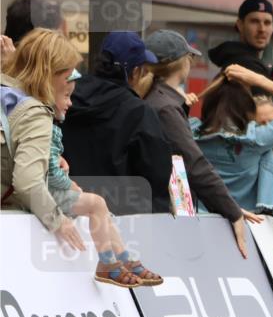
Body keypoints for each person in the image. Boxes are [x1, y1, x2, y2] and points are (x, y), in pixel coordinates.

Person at [1, 29, 160, 286]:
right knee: (96, 204)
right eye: (67, 74)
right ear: (52, 74)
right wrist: (58, 221)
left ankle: (120, 260)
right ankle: (115, 261)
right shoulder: (36, 112)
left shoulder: (8, 94)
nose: (72, 80)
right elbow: (27, 181)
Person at [142, 29, 260, 258]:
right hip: (167, 219)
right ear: (183, 62)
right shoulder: (165, 106)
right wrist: (232, 210)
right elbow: (194, 164)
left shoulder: (158, 99)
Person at [60, 31, 172, 214]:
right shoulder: (139, 112)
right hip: (124, 222)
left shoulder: (66, 98)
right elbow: (157, 177)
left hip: (68, 212)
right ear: (135, 72)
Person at [193, 64, 273, 215]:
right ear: (248, 108)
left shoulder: (190, 131)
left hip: (198, 219)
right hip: (244, 222)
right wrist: (258, 80)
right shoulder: (255, 138)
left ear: (208, 103)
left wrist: (184, 105)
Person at [208, 0, 273, 71]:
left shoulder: (235, 60)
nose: (262, 29)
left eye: (267, 23)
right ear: (240, 25)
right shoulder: (247, 67)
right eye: (254, 21)